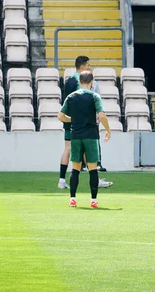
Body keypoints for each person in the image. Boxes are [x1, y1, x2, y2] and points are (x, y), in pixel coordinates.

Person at [58, 71, 111, 208]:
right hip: (91, 136)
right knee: (92, 168)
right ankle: (93, 200)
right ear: (92, 82)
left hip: (75, 136)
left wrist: (72, 119)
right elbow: (102, 115)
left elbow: (60, 116)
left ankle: (73, 199)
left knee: (75, 168)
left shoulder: (71, 97)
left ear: (79, 82)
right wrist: (108, 130)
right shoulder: (95, 96)